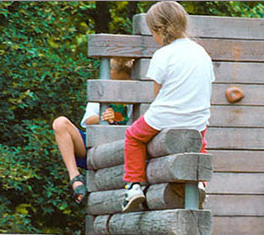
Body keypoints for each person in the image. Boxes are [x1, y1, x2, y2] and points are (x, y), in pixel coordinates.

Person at [121, 1, 214, 212]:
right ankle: (199, 184)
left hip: (165, 116)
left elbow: (158, 94)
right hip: (197, 119)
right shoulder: (202, 54)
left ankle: (134, 185)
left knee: (133, 137)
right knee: (199, 144)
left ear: (159, 30)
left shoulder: (163, 54)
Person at [52, 58, 134, 204]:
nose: (116, 88)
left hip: (123, 149)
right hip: (94, 148)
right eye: (112, 82)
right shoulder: (102, 93)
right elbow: (87, 120)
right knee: (60, 123)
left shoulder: (138, 98)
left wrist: (118, 117)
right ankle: (75, 178)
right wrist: (102, 118)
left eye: (120, 83)